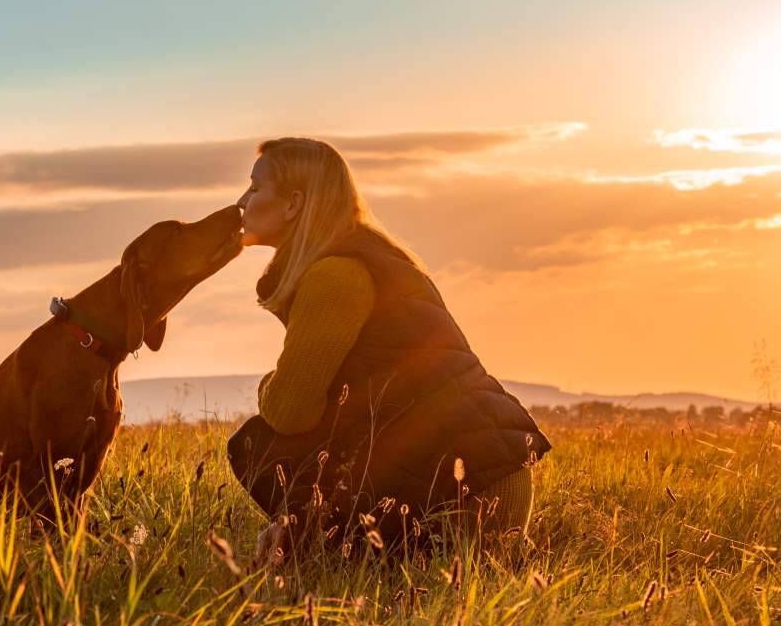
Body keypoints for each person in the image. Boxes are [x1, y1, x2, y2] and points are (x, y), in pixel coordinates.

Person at [226, 137, 550, 562]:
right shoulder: (371, 259)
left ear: (293, 204)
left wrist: (270, 383)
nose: (241, 201)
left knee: (257, 443)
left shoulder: (335, 276)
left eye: (254, 188)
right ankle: (320, 549)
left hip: (466, 494)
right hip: (482, 476)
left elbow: (290, 409)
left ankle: (331, 553)